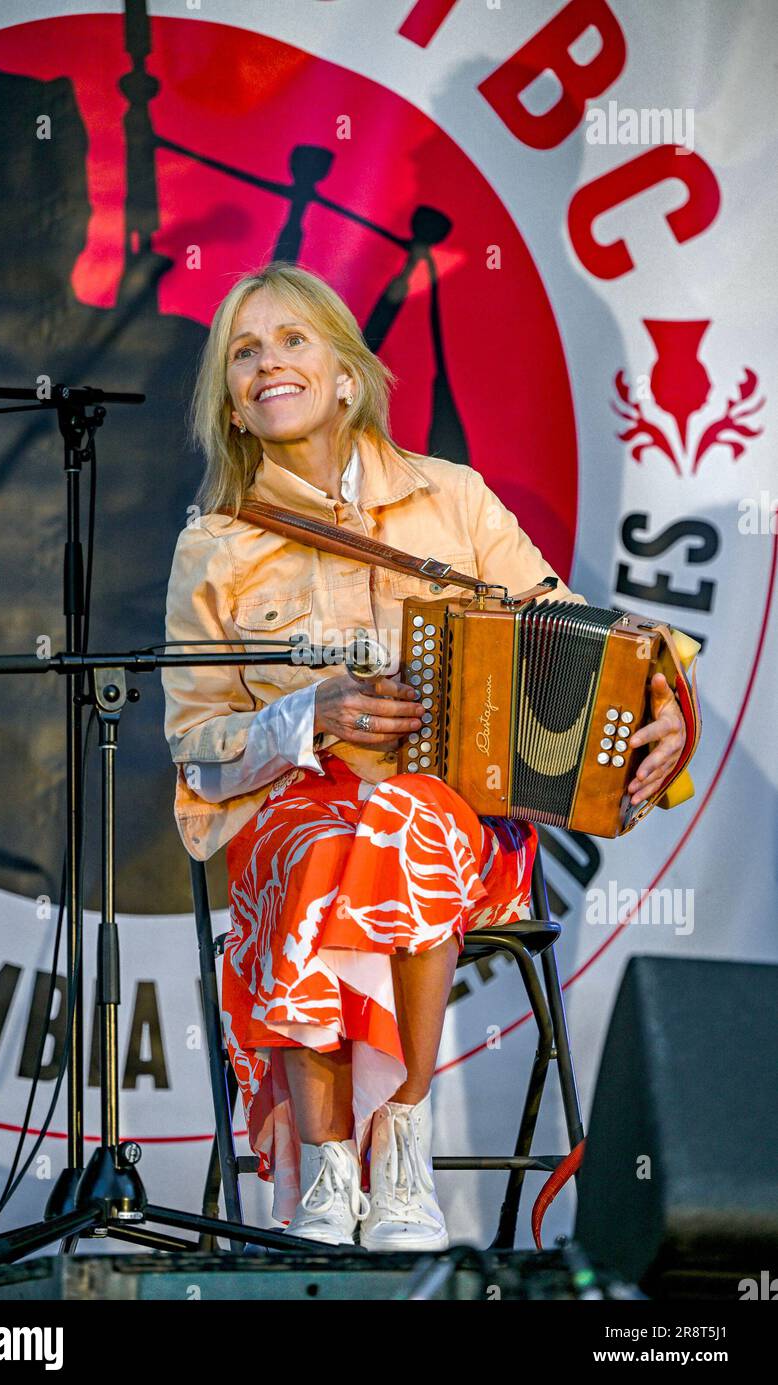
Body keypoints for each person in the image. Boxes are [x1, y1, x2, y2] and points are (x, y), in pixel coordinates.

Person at [161, 262, 686, 1250]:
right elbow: (195, 753)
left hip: (456, 835)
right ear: (230, 404)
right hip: (295, 822)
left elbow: (569, 631)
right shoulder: (214, 549)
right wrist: (304, 714)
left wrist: (657, 688)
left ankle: (392, 1145)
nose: (266, 363)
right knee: (325, 844)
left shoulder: (454, 500)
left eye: (291, 341)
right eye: (243, 351)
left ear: (346, 377)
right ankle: (331, 1171)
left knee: (399, 819)